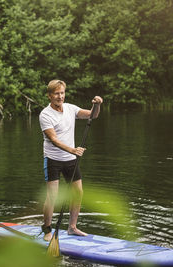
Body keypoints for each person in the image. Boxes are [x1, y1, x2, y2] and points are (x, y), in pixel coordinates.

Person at [39, 79, 103, 242]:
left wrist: (97, 105)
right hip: (53, 159)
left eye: (62, 93)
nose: (60, 96)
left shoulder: (70, 108)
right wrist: (73, 150)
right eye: (56, 93)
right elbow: (54, 139)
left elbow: (92, 115)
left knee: (78, 193)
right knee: (52, 196)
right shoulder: (45, 115)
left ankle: (72, 227)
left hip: (70, 160)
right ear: (49, 96)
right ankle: (47, 229)